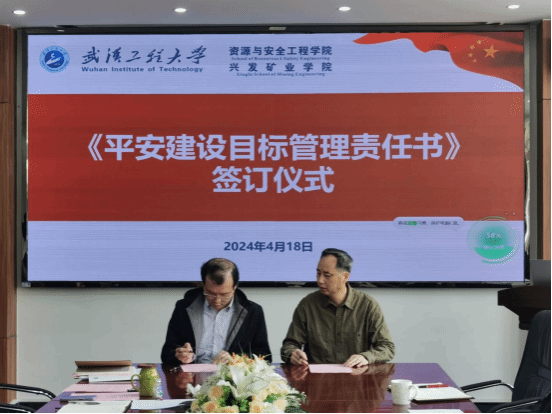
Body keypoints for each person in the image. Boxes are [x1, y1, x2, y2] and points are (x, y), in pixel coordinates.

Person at [281, 248, 394, 367]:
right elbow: (289, 345)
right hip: (317, 376)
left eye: (327, 275)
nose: (320, 280)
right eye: (318, 273)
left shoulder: (367, 305)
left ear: (345, 277)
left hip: (356, 374)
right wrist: (292, 354)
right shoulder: (308, 304)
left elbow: (387, 347)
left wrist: (366, 357)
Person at [161, 258, 272, 365]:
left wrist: (236, 359)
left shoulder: (252, 312)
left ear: (235, 287)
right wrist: (178, 355)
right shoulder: (184, 308)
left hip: (231, 375)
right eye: (210, 293)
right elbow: (166, 353)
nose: (217, 301)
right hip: (193, 374)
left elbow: (265, 357)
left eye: (224, 295)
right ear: (203, 285)